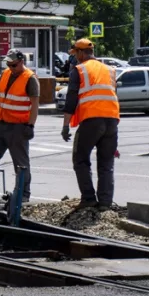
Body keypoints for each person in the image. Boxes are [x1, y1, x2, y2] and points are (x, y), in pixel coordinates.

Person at [0, 49, 39, 203]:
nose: (11, 67)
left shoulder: (30, 78)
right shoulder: (6, 74)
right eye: (8, 64)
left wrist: (30, 125)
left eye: (14, 65)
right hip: (1, 123)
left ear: (22, 62)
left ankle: (23, 194)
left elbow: (35, 104)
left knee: (21, 163)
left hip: (18, 127)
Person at [61, 38, 120, 210]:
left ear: (80, 53)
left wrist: (65, 125)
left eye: (75, 54)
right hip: (112, 121)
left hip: (92, 120)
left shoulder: (79, 70)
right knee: (106, 163)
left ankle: (88, 198)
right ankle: (105, 203)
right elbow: (113, 97)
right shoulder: (110, 70)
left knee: (80, 159)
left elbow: (71, 98)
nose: (74, 58)